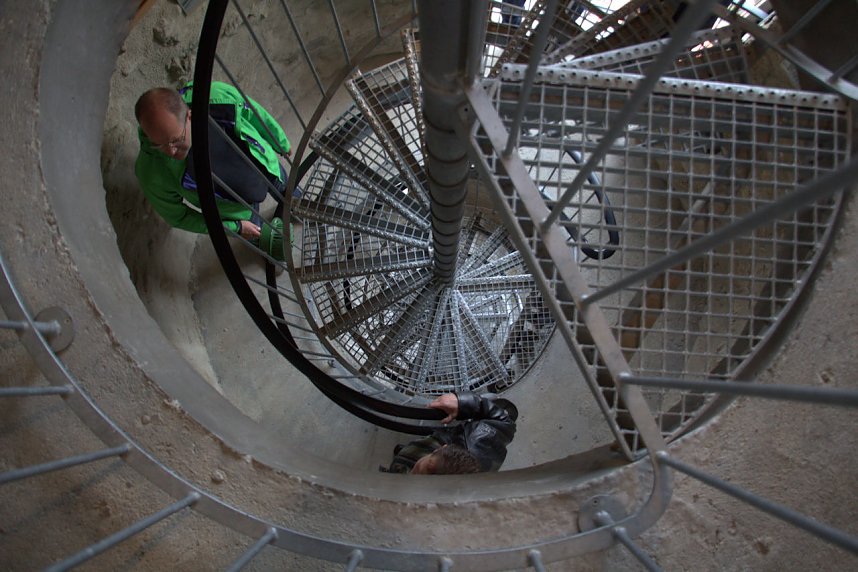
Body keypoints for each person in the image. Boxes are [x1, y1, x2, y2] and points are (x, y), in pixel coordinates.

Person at [134, 81, 293, 245]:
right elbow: (179, 217)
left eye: (176, 140)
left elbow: (252, 111)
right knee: (267, 242)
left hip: (265, 168)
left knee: (290, 194)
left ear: (190, 116)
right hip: (237, 212)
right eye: (159, 145)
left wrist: (279, 140)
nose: (170, 151)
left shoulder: (213, 97)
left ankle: (298, 208)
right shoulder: (151, 171)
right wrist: (235, 227)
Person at [381, 392, 518, 475]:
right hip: (446, 439)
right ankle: (407, 452)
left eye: (417, 472)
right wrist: (463, 402)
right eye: (428, 465)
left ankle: (405, 455)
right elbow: (506, 422)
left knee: (407, 457)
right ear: (444, 448)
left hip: (401, 467)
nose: (418, 470)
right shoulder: (481, 442)